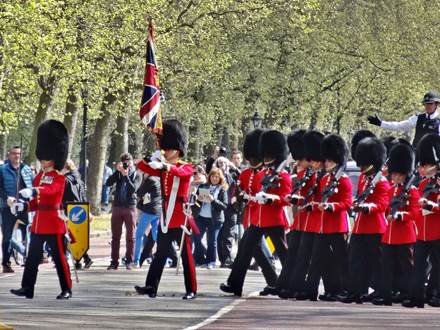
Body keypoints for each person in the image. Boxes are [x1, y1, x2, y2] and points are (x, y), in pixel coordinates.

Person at [220, 129, 291, 297]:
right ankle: (234, 283)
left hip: (274, 219)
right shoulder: (264, 173)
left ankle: (291, 283)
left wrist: (270, 198)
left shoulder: (283, 175)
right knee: (244, 249)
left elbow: (286, 199)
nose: (265, 159)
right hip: (257, 219)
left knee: (283, 253)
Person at [135, 119, 197, 300]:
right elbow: (141, 166)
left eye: (167, 149)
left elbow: (183, 174)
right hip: (166, 218)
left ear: (176, 150)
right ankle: (150, 286)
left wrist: (164, 165)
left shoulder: (185, 166)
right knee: (160, 253)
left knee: (186, 256)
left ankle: (191, 289)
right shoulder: (163, 169)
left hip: (180, 216)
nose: (165, 151)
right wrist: (151, 158)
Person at [10, 119, 72, 299]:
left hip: (54, 223)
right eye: (43, 157)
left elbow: (52, 193)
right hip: (38, 224)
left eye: (46, 158)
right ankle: (27, 288)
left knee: (59, 259)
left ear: (55, 157)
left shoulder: (59, 178)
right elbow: (37, 203)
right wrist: (24, 205)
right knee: (31, 258)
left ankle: (66, 289)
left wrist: (35, 190)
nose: (43, 160)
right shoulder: (39, 177)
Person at [297, 134, 352, 301]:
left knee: (341, 260)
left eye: (329, 161)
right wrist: (313, 205)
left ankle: (344, 290)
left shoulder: (344, 180)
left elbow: (347, 203)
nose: (326, 163)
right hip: (322, 225)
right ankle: (311, 290)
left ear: (336, 160)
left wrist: (331, 206)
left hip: (337, 225)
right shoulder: (325, 179)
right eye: (326, 160)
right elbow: (320, 199)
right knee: (316, 259)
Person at [340, 137, 390, 304]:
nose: (361, 168)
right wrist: (357, 204)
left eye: (364, 164)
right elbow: (361, 196)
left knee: (376, 263)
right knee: (355, 260)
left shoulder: (382, 182)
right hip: (360, 227)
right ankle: (355, 291)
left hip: (375, 227)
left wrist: (366, 207)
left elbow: (382, 204)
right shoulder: (363, 178)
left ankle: (380, 291)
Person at [372, 142, 419, 306]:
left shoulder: (412, 190)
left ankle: (407, 294)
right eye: (394, 174)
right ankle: (386, 296)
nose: (395, 177)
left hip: (405, 235)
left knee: (406, 268)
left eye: (399, 175)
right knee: (387, 267)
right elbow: (386, 208)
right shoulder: (391, 190)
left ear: (405, 174)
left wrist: (400, 216)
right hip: (389, 235)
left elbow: (415, 212)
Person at [402, 134, 440, 308]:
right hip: (422, 233)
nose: (424, 168)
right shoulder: (423, 184)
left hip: (437, 231)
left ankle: (436, 295)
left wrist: (430, 206)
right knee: (418, 267)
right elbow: (419, 210)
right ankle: (417, 297)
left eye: (427, 164)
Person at [105, 153, 142, 270]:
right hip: (117, 206)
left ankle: (129, 261)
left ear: (132, 162)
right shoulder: (119, 174)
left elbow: (133, 189)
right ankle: (114, 262)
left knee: (130, 236)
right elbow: (108, 183)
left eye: (129, 162)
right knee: (115, 236)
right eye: (124, 162)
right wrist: (118, 172)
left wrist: (126, 176)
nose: (127, 165)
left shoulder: (137, 175)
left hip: (130, 207)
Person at [0, 146, 33, 273]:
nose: (16, 156)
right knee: (7, 236)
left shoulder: (27, 170)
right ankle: (6, 263)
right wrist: (6, 198)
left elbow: (33, 186)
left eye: (19, 154)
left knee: (31, 232)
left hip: (24, 206)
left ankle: (28, 258)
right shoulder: (2, 170)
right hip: (7, 207)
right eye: (14, 153)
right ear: (9, 155)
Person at [367, 91, 440, 146]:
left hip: (434, 158)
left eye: (430, 103)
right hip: (417, 154)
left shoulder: (438, 121)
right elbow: (399, 126)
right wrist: (381, 123)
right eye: (426, 103)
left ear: (436, 104)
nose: (427, 106)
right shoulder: (418, 118)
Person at [193, 168, 228, 268]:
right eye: (213, 176)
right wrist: (198, 200)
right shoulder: (203, 186)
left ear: (220, 178)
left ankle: (211, 261)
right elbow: (195, 203)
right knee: (197, 238)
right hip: (201, 217)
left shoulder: (222, 189)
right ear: (209, 177)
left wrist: (213, 201)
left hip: (215, 219)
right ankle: (200, 260)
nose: (214, 178)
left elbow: (224, 206)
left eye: (217, 177)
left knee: (212, 241)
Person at [62, 159, 93, 270]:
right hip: (80, 209)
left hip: (69, 210)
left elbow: (63, 196)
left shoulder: (65, 180)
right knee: (76, 236)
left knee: (68, 236)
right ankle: (82, 259)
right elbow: (83, 195)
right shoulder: (79, 179)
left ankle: (70, 260)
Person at [215, 156, 240, 268]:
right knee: (220, 235)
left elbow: (242, 177)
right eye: (219, 163)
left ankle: (228, 259)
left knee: (229, 234)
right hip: (219, 208)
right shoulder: (215, 176)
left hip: (231, 208)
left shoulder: (232, 175)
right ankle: (222, 259)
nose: (222, 165)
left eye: (224, 163)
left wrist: (233, 167)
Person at [133, 173, 161, 268]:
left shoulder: (149, 180)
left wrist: (143, 181)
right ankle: (164, 255)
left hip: (149, 211)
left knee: (138, 235)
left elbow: (140, 193)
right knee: (155, 234)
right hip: (158, 210)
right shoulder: (158, 178)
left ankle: (136, 261)